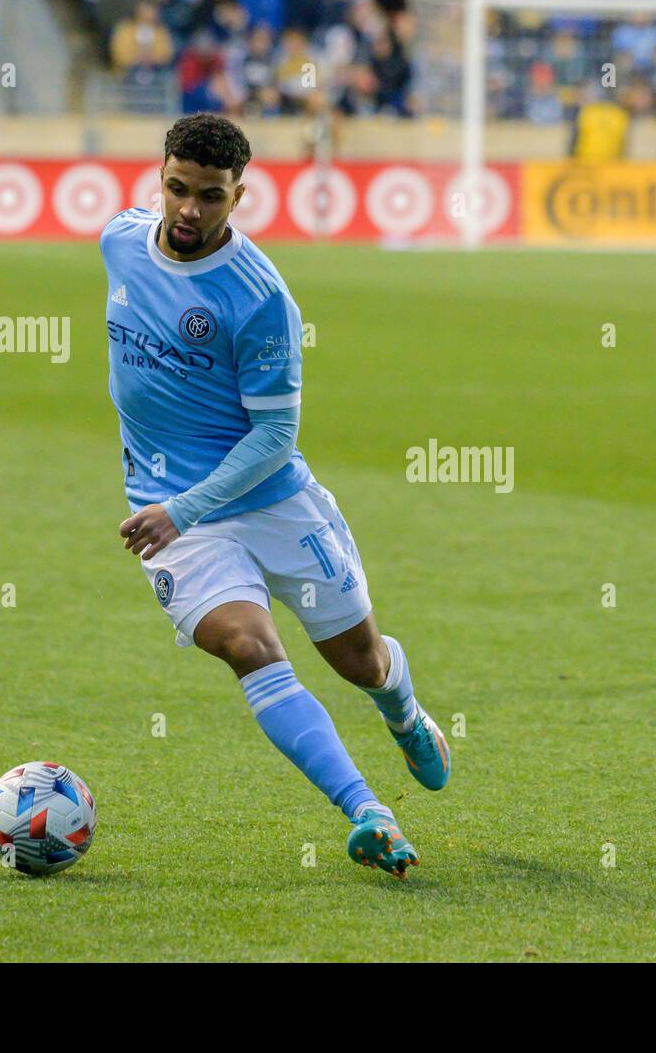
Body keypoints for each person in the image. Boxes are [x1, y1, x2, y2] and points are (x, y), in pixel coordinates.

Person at [101, 113, 450, 879]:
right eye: (178, 188)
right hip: (176, 518)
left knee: (360, 661)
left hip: (269, 500)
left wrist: (180, 508)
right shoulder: (120, 239)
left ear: (240, 195)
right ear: (160, 176)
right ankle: (370, 813)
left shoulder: (259, 299)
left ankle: (404, 708)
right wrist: (177, 511)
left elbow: (273, 440)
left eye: (211, 196)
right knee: (250, 646)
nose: (189, 209)